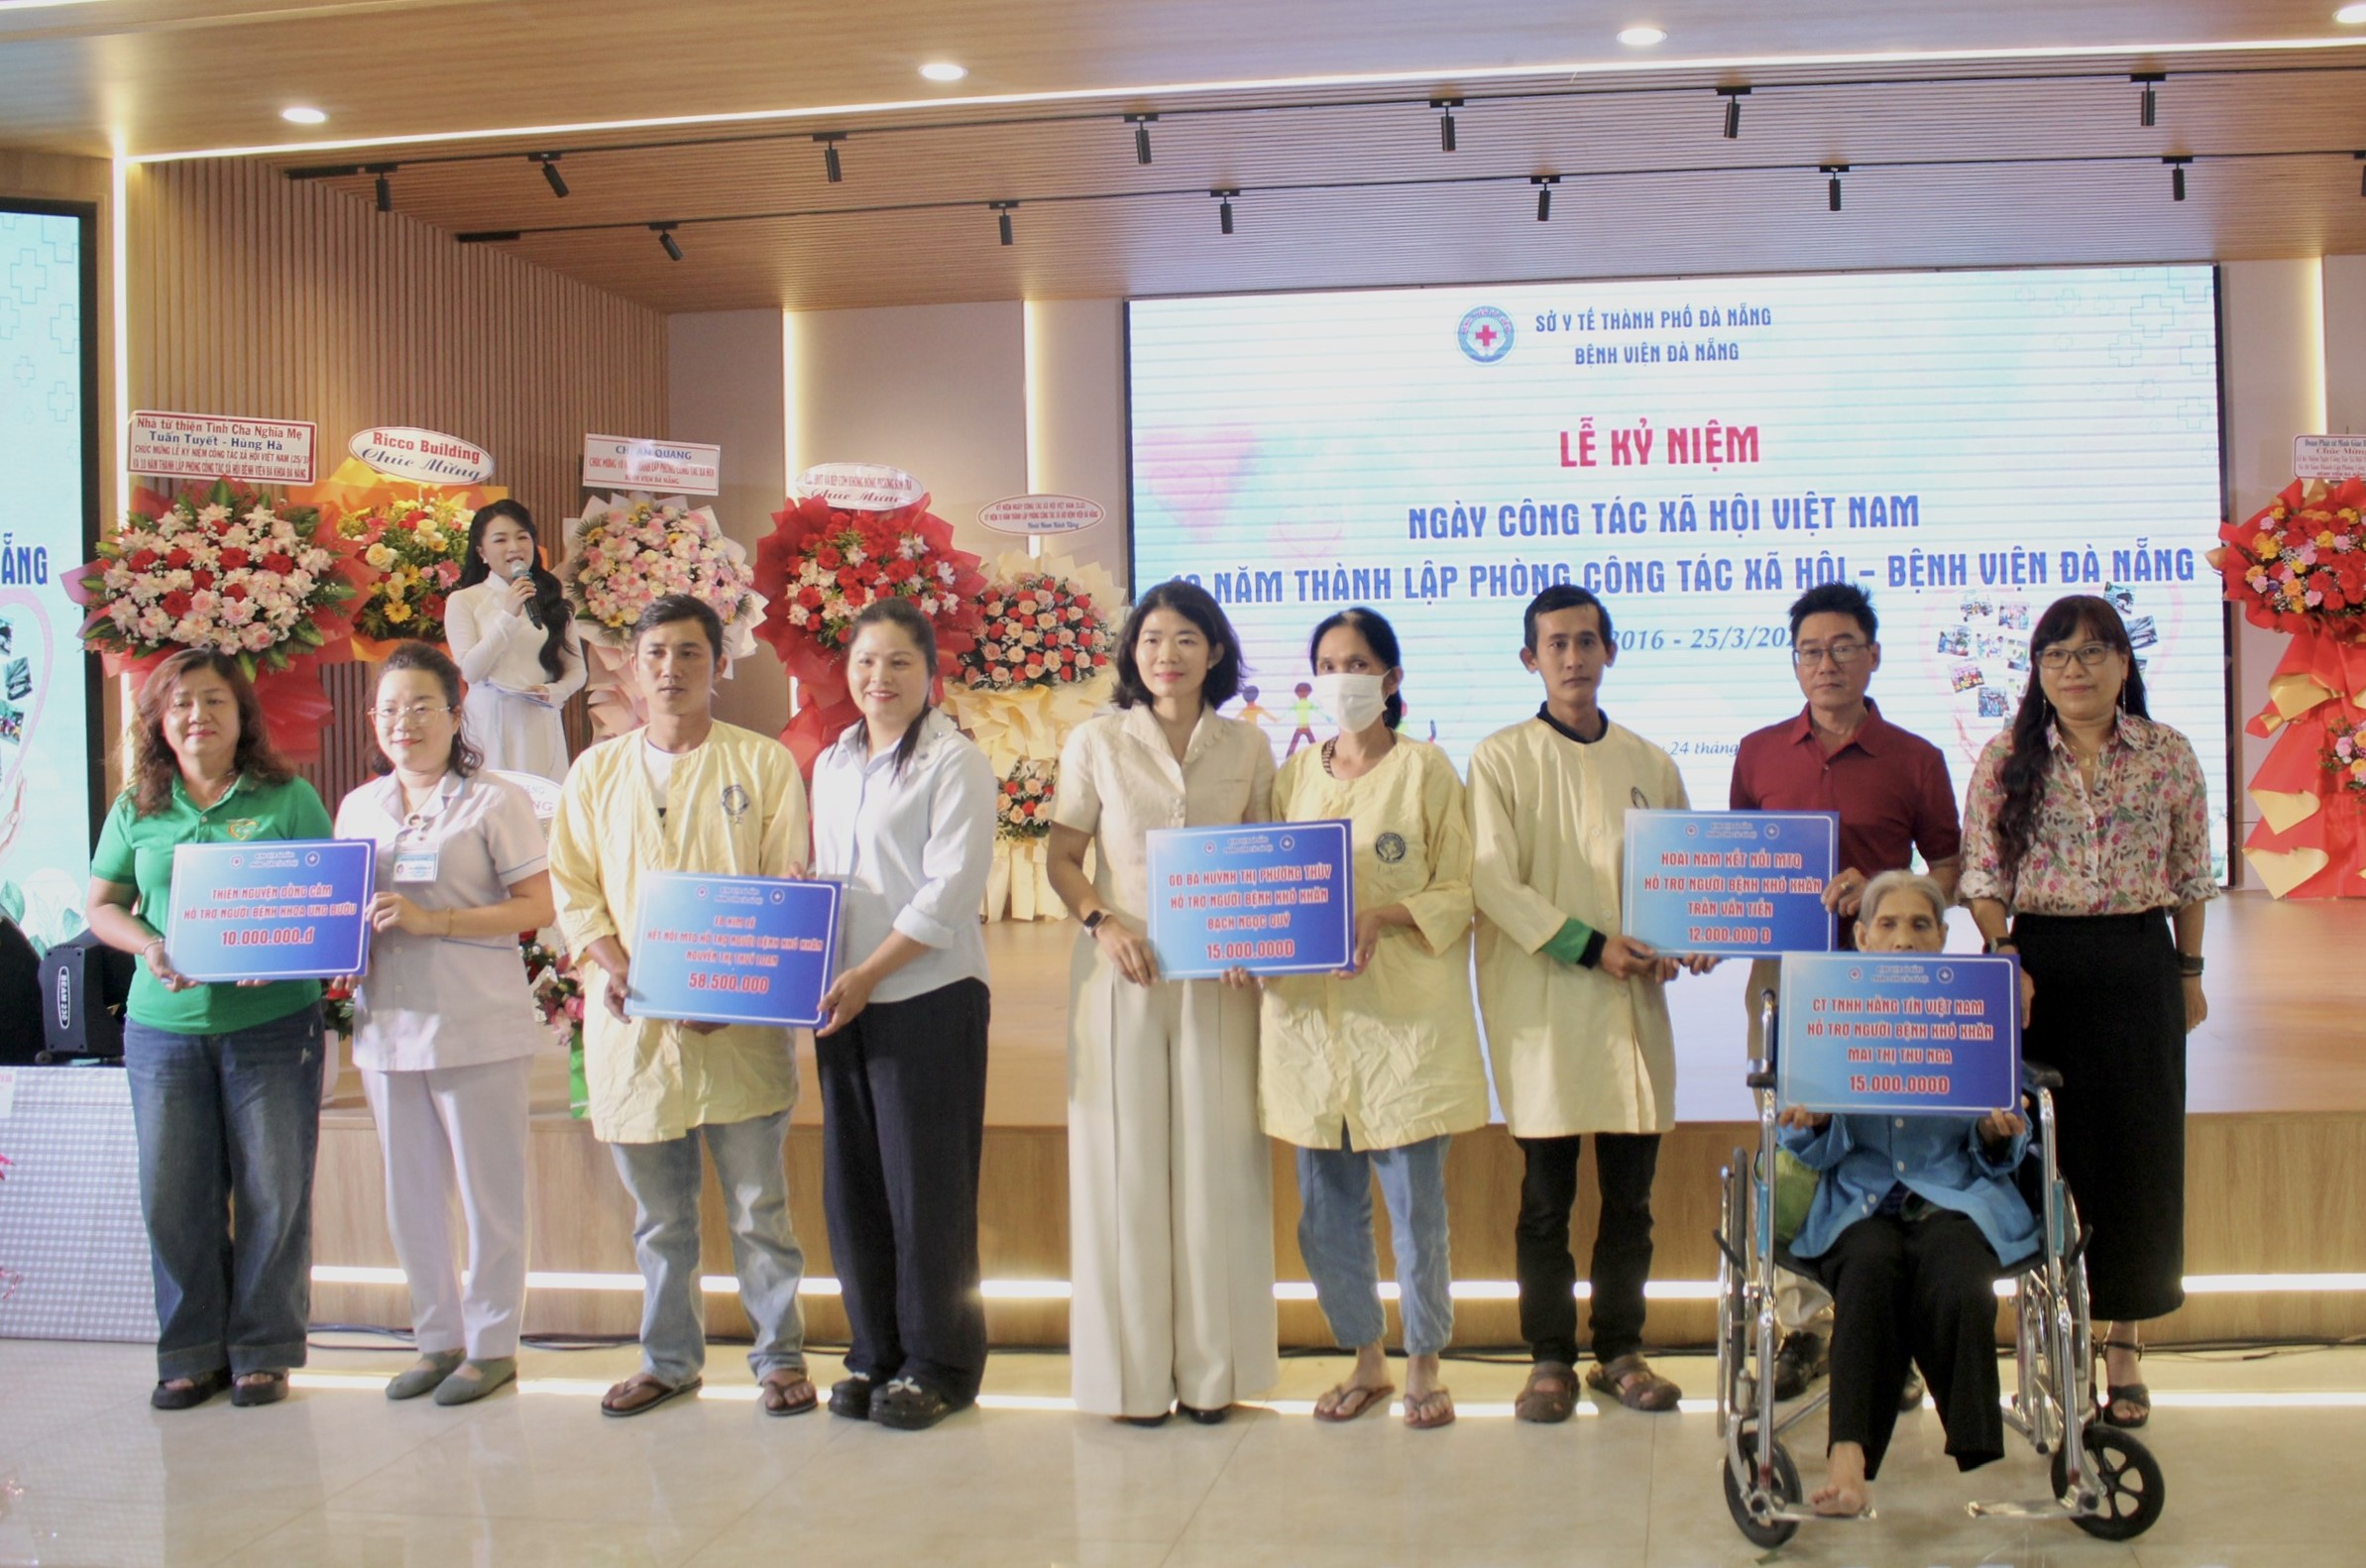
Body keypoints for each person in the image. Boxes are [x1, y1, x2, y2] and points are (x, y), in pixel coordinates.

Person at [546, 594, 817, 1418]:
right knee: (659, 1220)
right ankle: (667, 1361)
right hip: (633, 1025)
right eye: (655, 653)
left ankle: (779, 1358)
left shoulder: (761, 764)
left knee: (758, 1208)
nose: (671, 669)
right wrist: (615, 963)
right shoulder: (594, 773)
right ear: (632, 666)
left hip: (738, 1029)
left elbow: (782, 886)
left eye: (690, 653)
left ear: (718, 664)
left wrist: (731, 989)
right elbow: (573, 888)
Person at [1960, 593, 2214, 1431]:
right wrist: (2004, 951)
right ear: (2037, 670)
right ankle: (2052, 1328)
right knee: (2049, 1153)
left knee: (2139, 1153)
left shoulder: (2166, 752)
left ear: (2122, 663)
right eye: (2056, 655)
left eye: (2091, 652)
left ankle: (2123, 1342)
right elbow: (1982, 876)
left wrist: (2187, 971)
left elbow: (2190, 872)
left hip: (2139, 963)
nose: (2074, 670)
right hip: (2039, 969)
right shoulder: (2005, 757)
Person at [1468, 585, 1712, 1420]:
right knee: (1545, 1200)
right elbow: (1492, 882)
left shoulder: (1650, 763)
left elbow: (1684, 875)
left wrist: (1688, 937)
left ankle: (1620, 1349)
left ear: (1610, 650)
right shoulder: (1499, 759)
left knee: (1630, 1200)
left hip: (1630, 1011)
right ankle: (1547, 1358)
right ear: (1529, 659)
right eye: (1556, 644)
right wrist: (1589, 945)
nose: (1573, 658)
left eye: (1585, 641)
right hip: (1542, 1007)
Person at [1046, 579, 1278, 1424]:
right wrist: (1102, 923)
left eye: (1184, 639)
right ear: (1131, 652)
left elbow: (1268, 853)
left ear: (1213, 652)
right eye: (1150, 639)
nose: (1165, 654)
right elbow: (1062, 858)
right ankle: (1130, 1382)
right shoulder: (1096, 741)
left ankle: (1216, 1377)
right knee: (1125, 1172)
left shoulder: (1248, 745)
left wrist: (1256, 937)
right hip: (1124, 973)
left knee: (1220, 1170)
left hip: (1221, 980)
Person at [1731, 581, 1964, 1404]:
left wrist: (1888, 890)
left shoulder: (1915, 757)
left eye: (1840, 648)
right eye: (1808, 651)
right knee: (1794, 1146)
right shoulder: (1758, 751)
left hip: (1889, 985)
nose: (1824, 664)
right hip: (1787, 981)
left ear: (1872, 656)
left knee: (1885, 1145)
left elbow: (1949, 868)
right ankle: (1801, 1325)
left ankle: (1887, 1332)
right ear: (1793, 662)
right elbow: (1739, 866)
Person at [84, 649, 335, 1410]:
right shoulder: (137, 807)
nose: (199, 715)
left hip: (273, 1024)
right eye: (182, 703)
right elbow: (102, 906)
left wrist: (284, 948)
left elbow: (329, 902)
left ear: (242, 714)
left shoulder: (288, 797)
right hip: (163, 1031)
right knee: (174, 1195)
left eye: (215, 700)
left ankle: (263, 1351)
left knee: (274, 1191)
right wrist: (148, 945)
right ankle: (190, 1351)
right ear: (160, 720)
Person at [1260, 609, 1487, 1429]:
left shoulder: (1426, 771)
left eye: (1357, 664)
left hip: (1404, 1027)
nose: (1340, 678)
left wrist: (1383, 915)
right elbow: (1265, 885)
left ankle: (1424, 1364)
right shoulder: (1292, 778)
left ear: (1391, 679)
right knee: (1325, 1218)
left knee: (1416, 1213)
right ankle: (1366, 1359)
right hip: (1308, 1029)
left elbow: (1460, 888)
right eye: (1327, 664)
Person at [1777, 869, 2039, 1516]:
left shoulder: (1976, 1004)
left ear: (1942, 937)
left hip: (1954, 1193)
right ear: (1862, 937)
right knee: (1868, 1274)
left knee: (1958, 1278)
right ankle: (1847, 1462)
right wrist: (1816, 1122)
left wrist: (1993, 1131)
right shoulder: (1826, 1008)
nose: (1903, 939)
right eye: (1887, 925)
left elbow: (2006, 1143)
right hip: (1858, 1198)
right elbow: (1799, 1146)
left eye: (1920, 925)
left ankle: (1973, 1440)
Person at [335, 642, 555, 1405]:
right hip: (388, 1026)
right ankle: (436, 1339)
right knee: (411, 1197)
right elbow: (341, 907)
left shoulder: (494, 800)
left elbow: (537, 906)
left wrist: (438, 921)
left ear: (456, 715)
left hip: (475, 1024)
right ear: (373, 720)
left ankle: (491, 1345)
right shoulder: (359, 807)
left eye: (422, 706)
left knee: (490, 1196)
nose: (405, 721)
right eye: (390, 709)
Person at [809, 598, 998, 1431]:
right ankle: (874, 1353)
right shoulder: (832, 761)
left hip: (926, 995)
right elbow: (838, 871)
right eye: (865, 662)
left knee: (928, 1191)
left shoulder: (954, 763)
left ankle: (939, 1364)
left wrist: (869, 973)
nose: (878, 677)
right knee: (854, 1188)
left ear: (929, 673)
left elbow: (947, 892)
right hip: (842, 999)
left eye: (898, 663)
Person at [445, 499, 584, 781]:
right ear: (481, 552)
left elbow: (577, 670)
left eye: (522, 537)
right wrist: (508, 616)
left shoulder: (552, 600)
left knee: (542, 798)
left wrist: (554, 691)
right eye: (500, 540)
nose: (514, 547)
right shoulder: (464, 600)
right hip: (488, 721)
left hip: (539, 719)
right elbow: (471, 671)